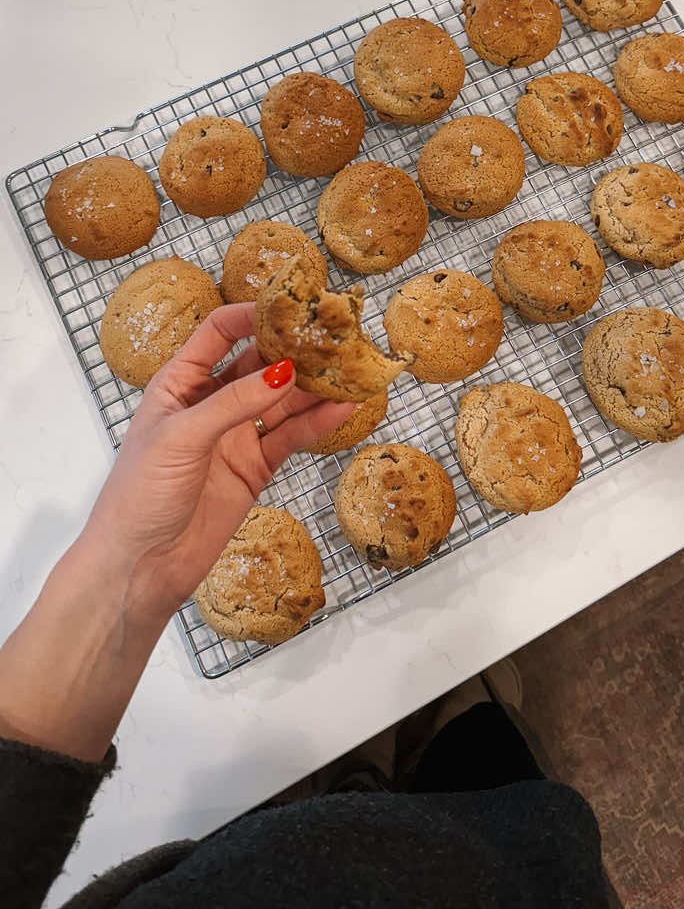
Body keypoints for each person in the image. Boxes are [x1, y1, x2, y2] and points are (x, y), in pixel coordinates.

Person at [0, 304, 612, 908]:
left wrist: (129, 569)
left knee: (479, 787)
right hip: (505, 876)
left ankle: (376, 771)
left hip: (279, 858)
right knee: (497, 778)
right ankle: (452, 736)